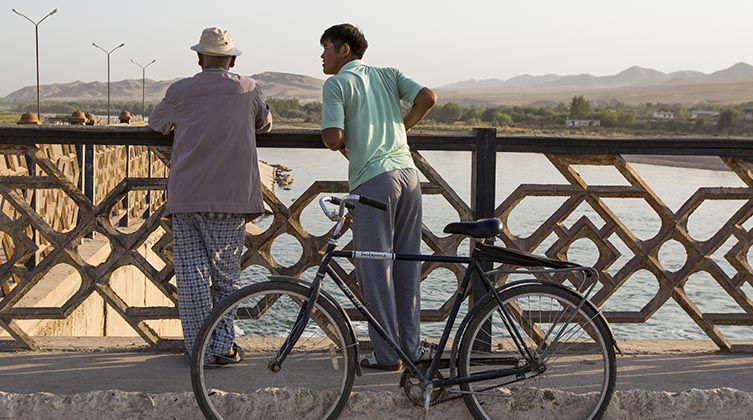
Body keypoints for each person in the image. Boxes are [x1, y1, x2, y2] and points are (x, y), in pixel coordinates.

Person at [149, 27, 272, 364]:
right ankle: (223, 347)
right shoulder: (249, 89)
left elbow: (156, 122)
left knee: (191, 278)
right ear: (231, 60)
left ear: (200, 58)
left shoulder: (180, 91)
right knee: (226, 277)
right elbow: (265, 123)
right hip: (230, 200)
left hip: (187, 196)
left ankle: (198, 349)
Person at [319, 23, 437, 369]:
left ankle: (387, 356)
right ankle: (410, 349)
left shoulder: (337, 83)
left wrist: (339, 137)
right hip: (409, 176)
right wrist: (403, 125)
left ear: (344, 51)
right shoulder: (388, 74)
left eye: (326, 48)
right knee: (407, 264)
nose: (321, 56)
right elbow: (428, 97)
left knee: (375, 269)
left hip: (373, 182)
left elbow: (331, 137)